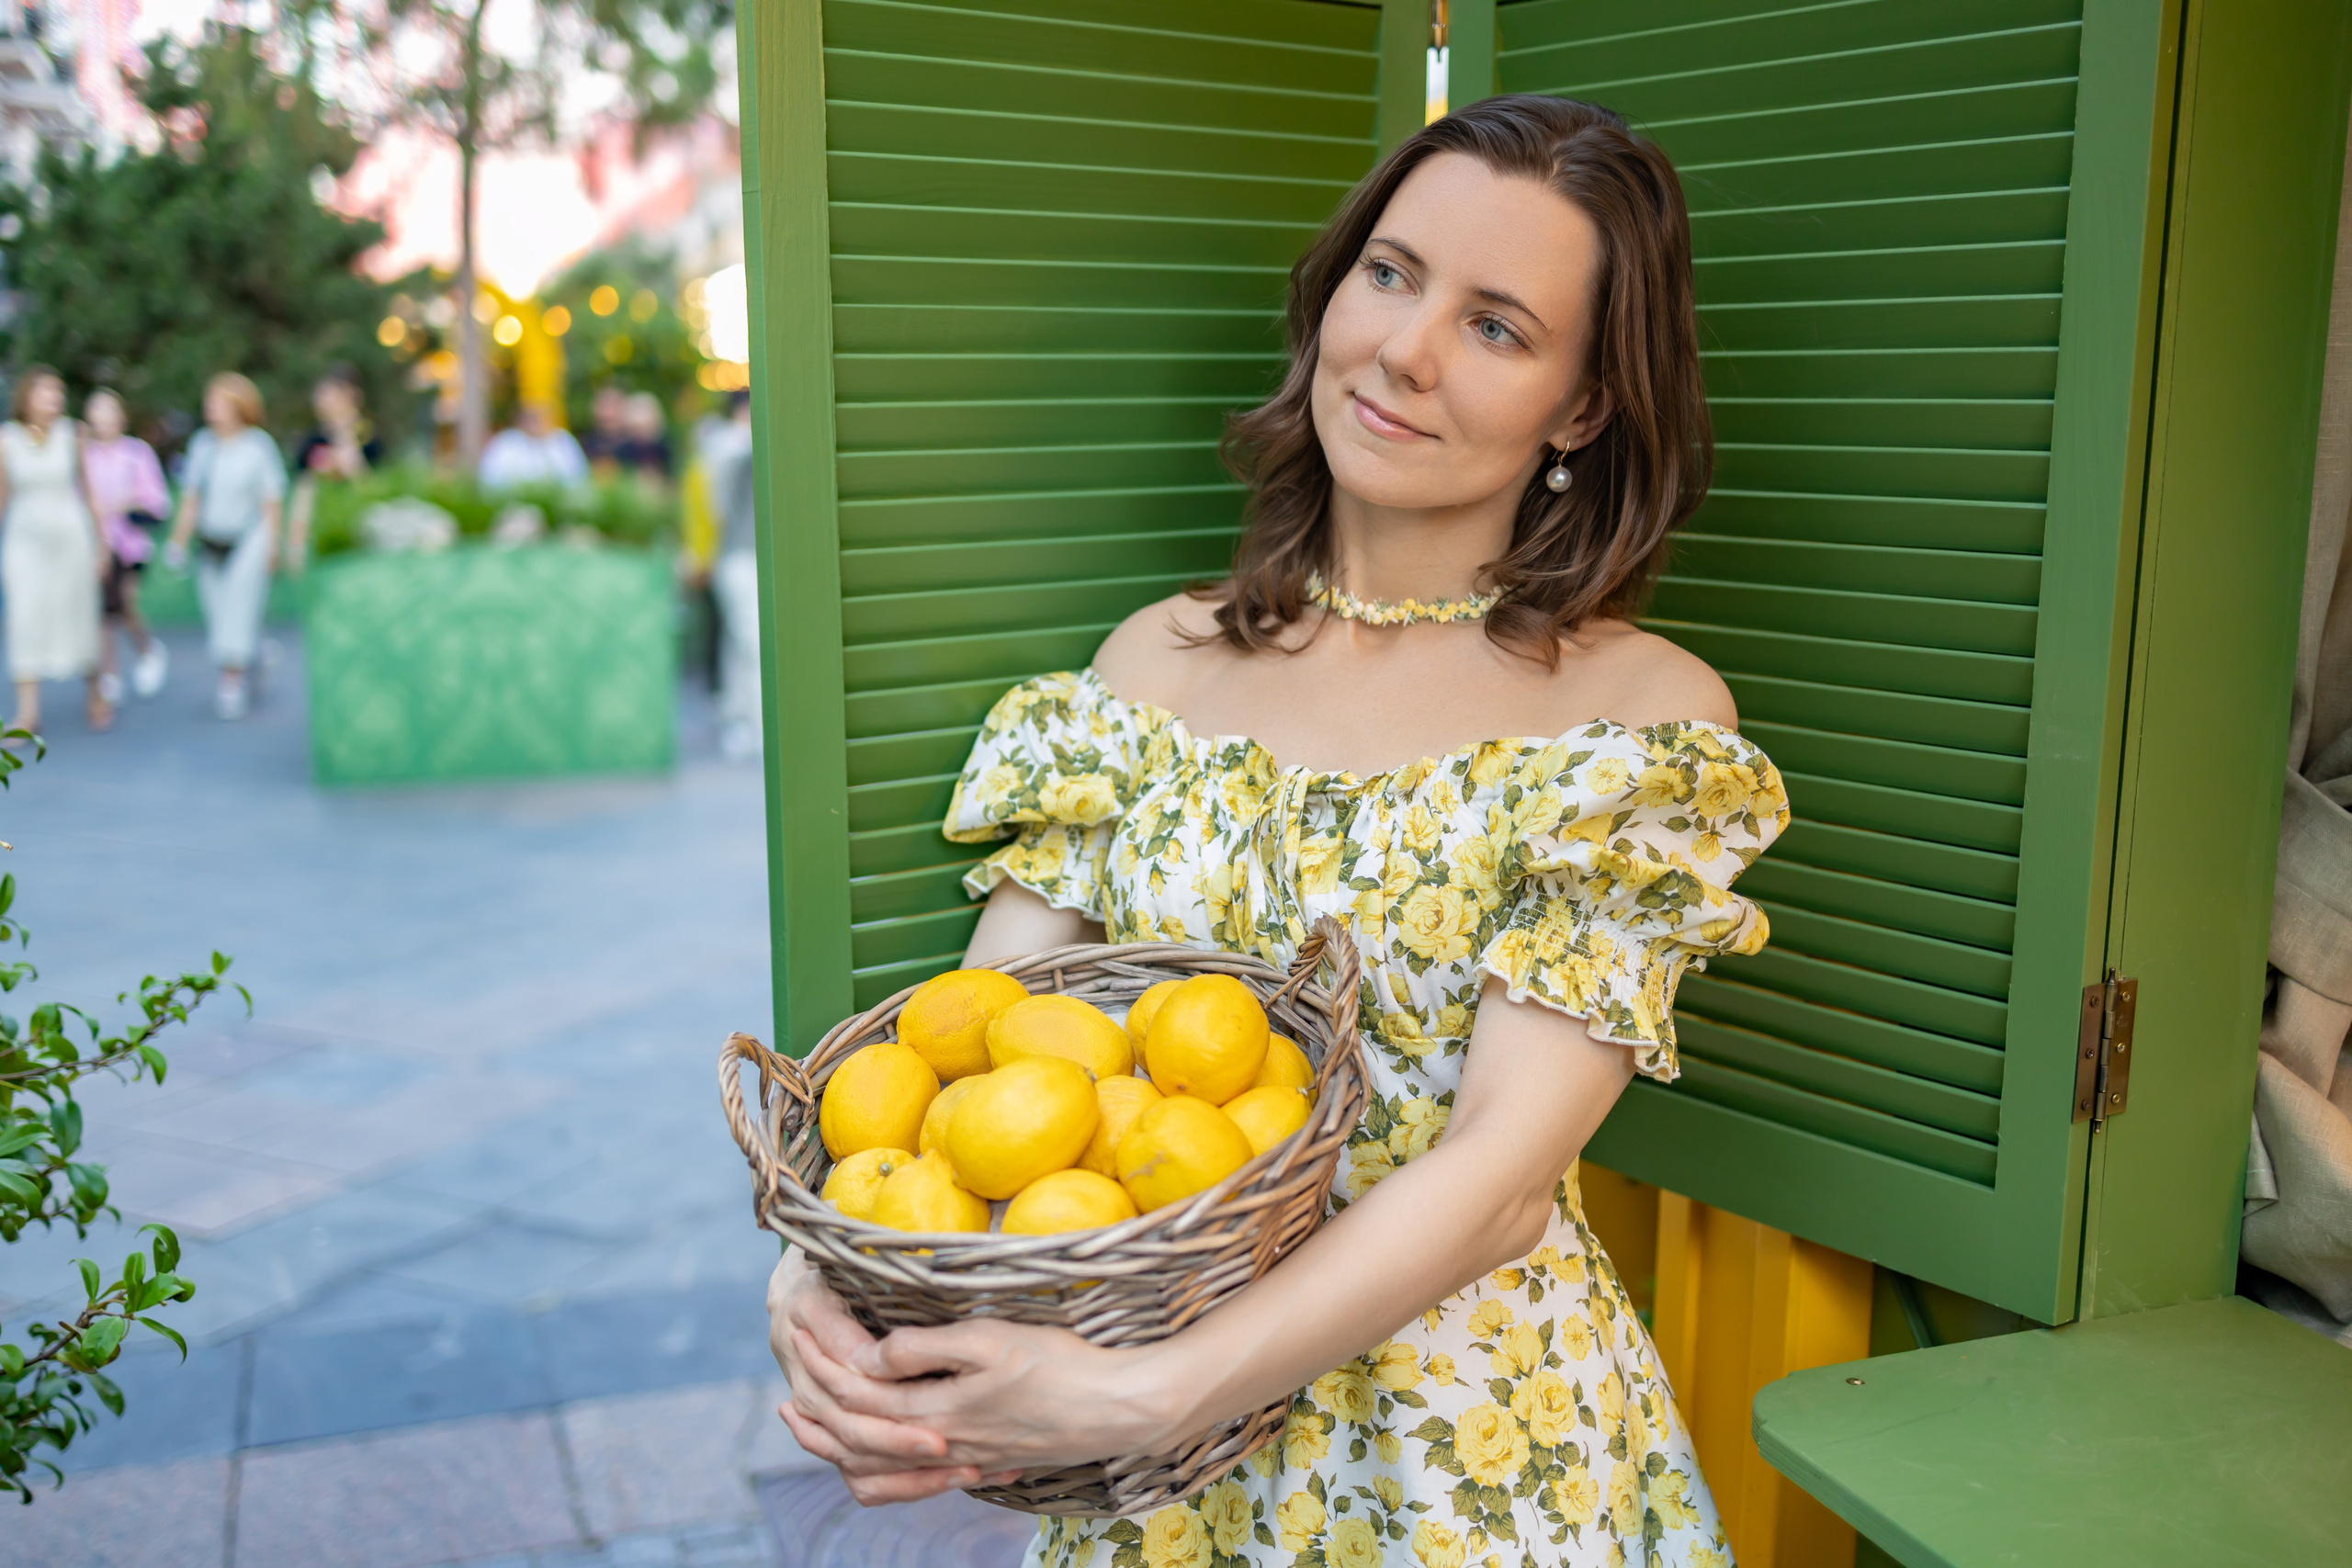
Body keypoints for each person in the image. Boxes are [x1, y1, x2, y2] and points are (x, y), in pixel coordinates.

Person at [765, 96, 1789, 1568]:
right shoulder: (1146, 670)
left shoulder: (1636, 728)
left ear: (1582, 404)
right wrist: (825, 1273)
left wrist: (1135, 1389)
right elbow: (962, 1048)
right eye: (1391, 272)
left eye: (1498, 326)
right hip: (1159, 1479)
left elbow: (1501, 1175)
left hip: (1462, 1451)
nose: (1406, 350)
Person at [164, 373, 285, 721]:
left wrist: (273, 544)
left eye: (218, 403)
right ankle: (257, 654)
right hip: (212, 541)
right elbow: (192, 498)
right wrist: (178, 542)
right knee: (220, 614)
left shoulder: (258, 446)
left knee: (238, 607)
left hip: (250, 538)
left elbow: (271, 499)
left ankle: (230, 683)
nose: (211, 410)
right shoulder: (203, 445)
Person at [0, 367, 109, 734]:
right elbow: (2, 498)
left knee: (80, 614)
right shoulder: (7, 439)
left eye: (57, 392)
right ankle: (28, 714)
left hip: (70, 539)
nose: (53, 399)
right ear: (27, 396)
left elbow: (88, 491)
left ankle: (95, 694)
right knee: (24, 618)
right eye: (45, 392)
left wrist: (101, 545)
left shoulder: (73, 434)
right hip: (24, 541)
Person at [81, 388, 171, 705]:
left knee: (124, 602)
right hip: (97, 544)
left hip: (131, 544)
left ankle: (147, 649)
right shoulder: (84, 455)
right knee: (105, 611)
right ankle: (110, 674)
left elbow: (156, 500)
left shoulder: (136, 452)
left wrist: (119, 504)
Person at [704, 391, 758, 760]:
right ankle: (754, 728)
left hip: (740, 558)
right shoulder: (728, 446)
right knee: (751, 646)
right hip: (740, 558)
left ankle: (740, 720)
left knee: (739, 646)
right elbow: (716, 502)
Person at [287, 364, 380, 573]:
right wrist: (296, 539)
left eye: (329, 394)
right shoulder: (313, 440)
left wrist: (348, 451)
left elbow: (373, 484)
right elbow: (303, 489)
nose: (322, 401)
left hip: (358, 532)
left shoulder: (369, 437)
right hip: (321, 533)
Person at [478, 401, 589, 491]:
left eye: (539, 417)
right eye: (530, 417)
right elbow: (490, 478)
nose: (535, 422)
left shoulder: (562, 441)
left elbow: (578, 477)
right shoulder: (505, 442)